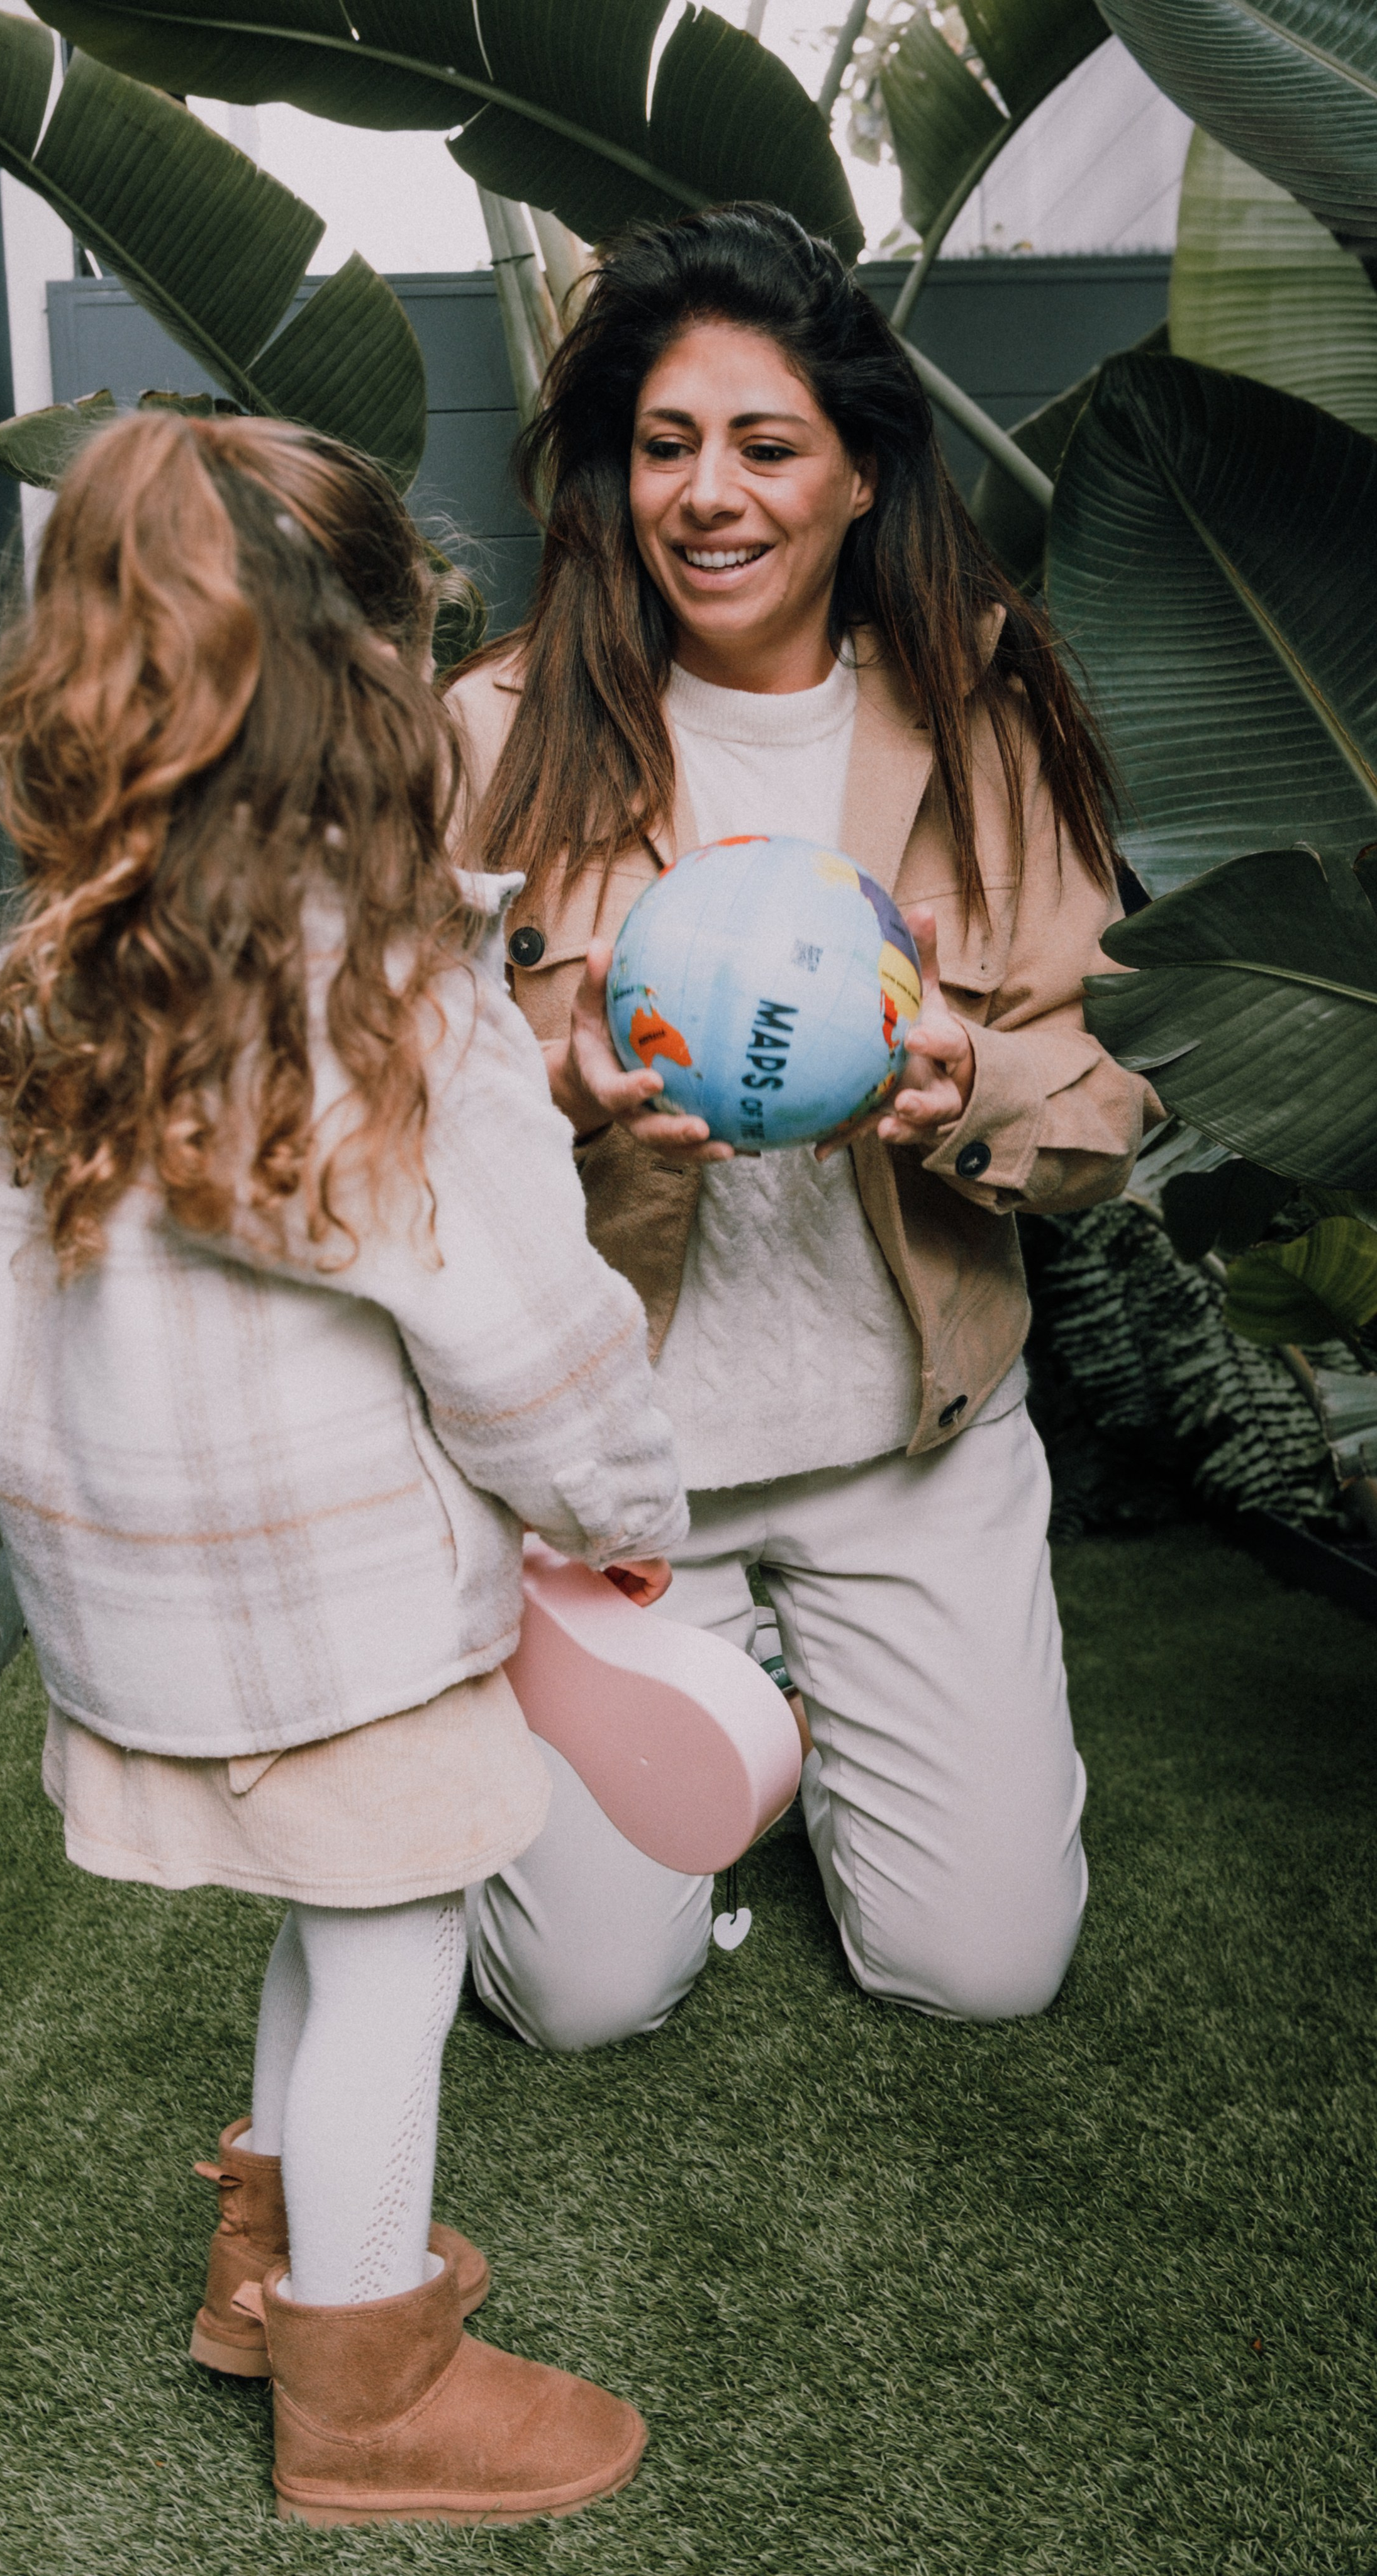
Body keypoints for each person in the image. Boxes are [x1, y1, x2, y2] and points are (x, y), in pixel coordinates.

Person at [0, 410, 688, 2528]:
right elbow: (524, 1341)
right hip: (354, 1623)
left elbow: (20, 1348)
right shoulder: (391, 1004)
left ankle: (260, 2277)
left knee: (328, 1926)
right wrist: (622, 1522)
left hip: (149, 1623)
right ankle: (368, 2390)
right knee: (388, 1964)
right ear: (379, 675)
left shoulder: (24, 996)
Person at [445, 202, 1156, 2055]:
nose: (708, 494)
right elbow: (379, 1115)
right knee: (579, 1999)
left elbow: (1101, 1113)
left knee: (980, 1966)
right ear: (615, 472)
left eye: (765, 446)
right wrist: (555, 1098)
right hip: (610, 1481)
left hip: (900, 1446)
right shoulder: (491, 734)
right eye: (665, 444)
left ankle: (822, 1667)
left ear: (857, 475)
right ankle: (697, 1652)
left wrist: (964, 1089)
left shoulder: (987, 726)